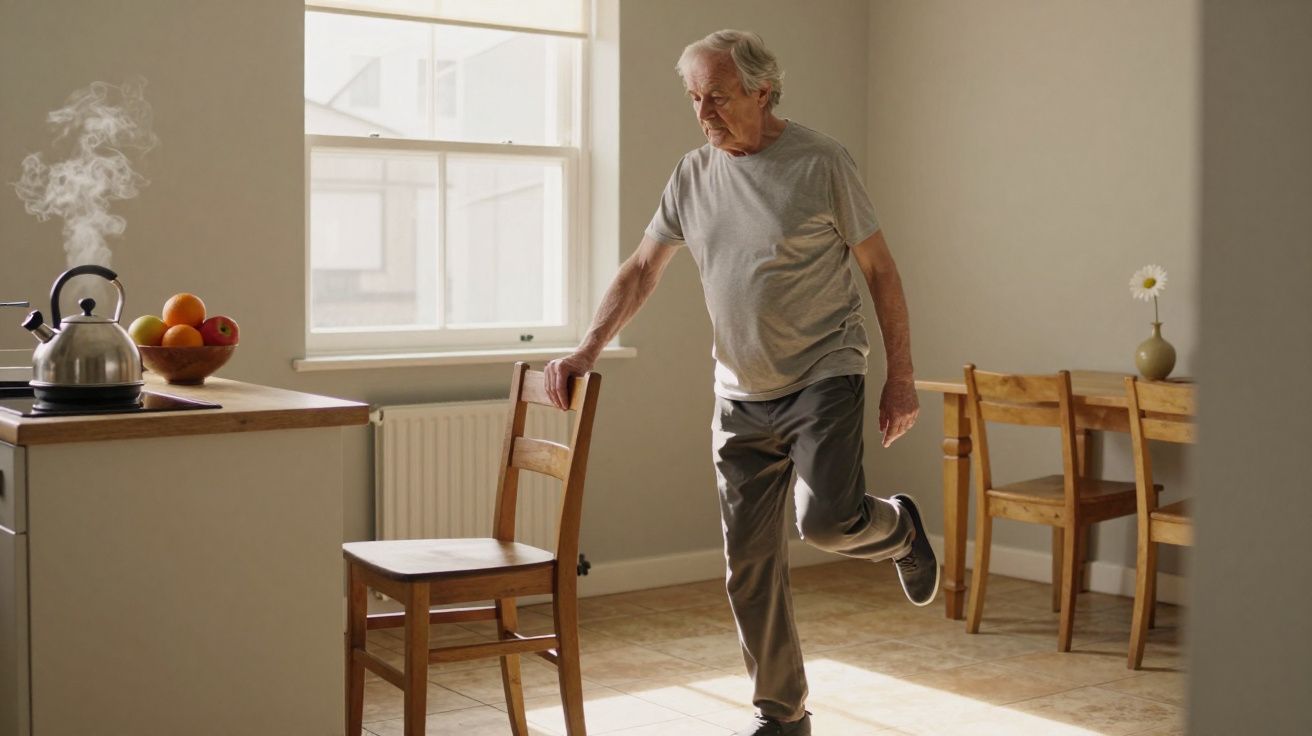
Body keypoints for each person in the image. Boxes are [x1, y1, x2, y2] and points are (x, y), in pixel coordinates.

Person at [544, 29, 938, 736]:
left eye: (719, 97)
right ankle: (782, 715)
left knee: (824, 522)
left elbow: (880, 269)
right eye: (695, 99)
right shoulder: (692, 175)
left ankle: (900, 530)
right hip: (739, 392)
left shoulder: (821, 163)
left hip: (825, 369)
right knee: (749, 565)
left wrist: (900, 376)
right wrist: (586, 349)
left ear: (763, 89)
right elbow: (641, 270)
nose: (705, 115)